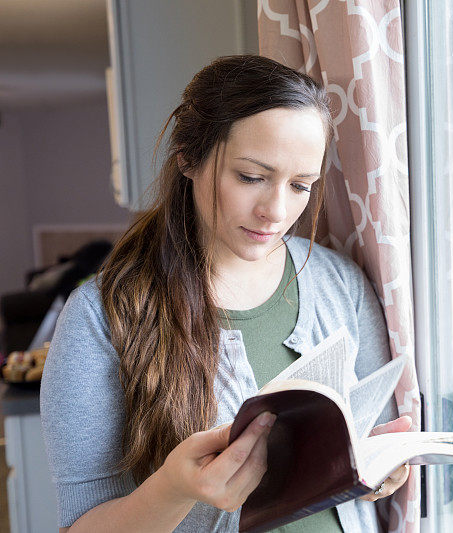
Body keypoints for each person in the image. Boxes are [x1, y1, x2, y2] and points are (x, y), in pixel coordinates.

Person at [40, 55, 411, 533]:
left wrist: (380, 468)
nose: (276, 211)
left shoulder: (340, 285)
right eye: (251, 177)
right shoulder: (101, 317)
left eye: (301, 185)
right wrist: (174, 488)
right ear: (188, 158)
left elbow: (366, 443)